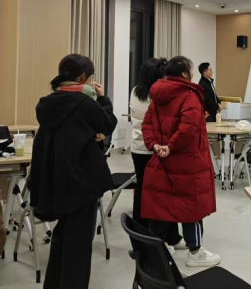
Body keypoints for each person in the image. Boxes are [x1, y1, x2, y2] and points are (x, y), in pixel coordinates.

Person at [30, 54, 117, 289]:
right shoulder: (84, 103)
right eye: (91, 77)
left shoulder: (48, 103)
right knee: (79, 244)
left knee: (61, 237)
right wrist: (103, 98)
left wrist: (90, 132)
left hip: (56, 181)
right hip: (81, 183)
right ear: (82, 78)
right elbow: (108, 124)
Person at [141, 56, 219, 268]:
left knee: (162, 204)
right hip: (187, 160)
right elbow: (188, 127)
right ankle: (195, 252)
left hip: (162, 158)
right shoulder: (189, 95)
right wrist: (171, 146)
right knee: (192, 206)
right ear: (185, 73)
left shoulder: (157, 94)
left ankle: (160, 249)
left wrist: (155, 145)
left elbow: (147, 123)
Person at [130, 58, 184, 254]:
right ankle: (149, 242)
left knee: (151, 195)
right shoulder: (157, 96)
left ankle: (170, 236)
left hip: (139, 149)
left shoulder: (136, 91)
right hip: (154, 149)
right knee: (156, 198)